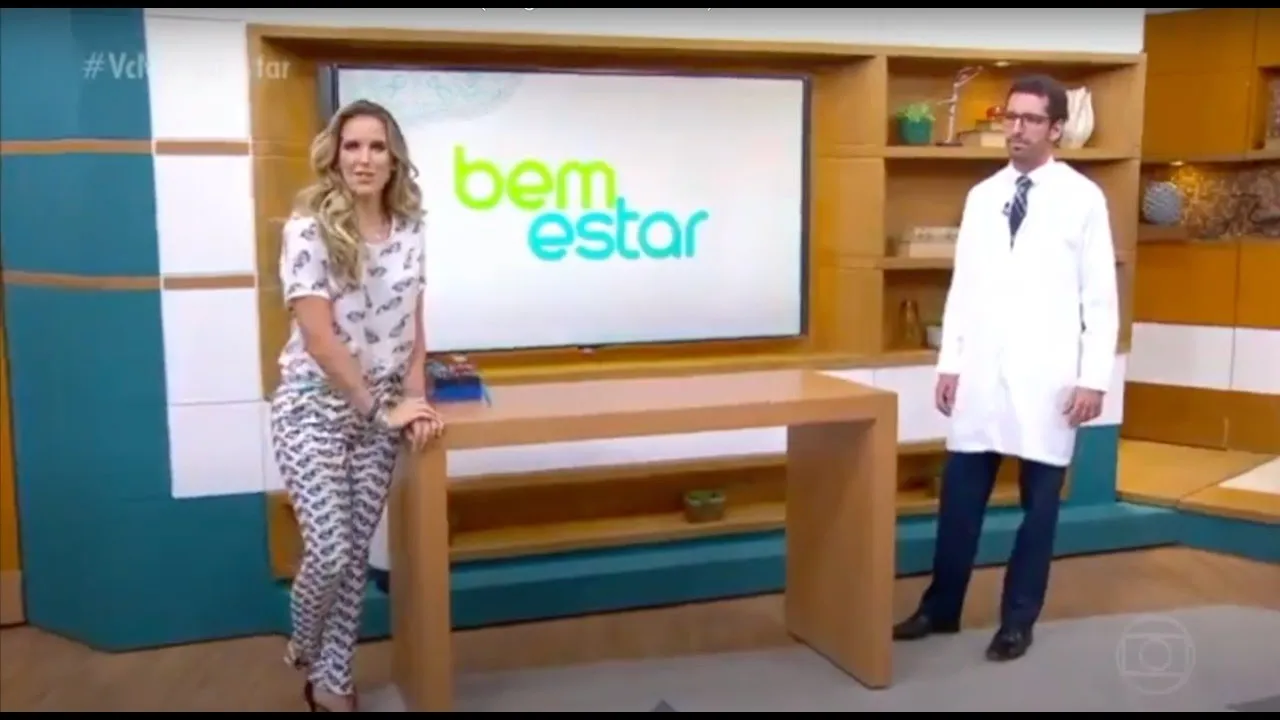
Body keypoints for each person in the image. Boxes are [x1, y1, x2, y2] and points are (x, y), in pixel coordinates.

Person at [892, 75, 1119, 661]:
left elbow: (1100, 298)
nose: (1016, 130)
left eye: (1030, 120)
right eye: (1010, 118)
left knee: (1038, 511)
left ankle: (1017, 621)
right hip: (981, 374)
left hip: (1050, 380)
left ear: (1056, 128)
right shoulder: (982, 196)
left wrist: (1094, 379)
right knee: (958, 503)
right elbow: (963, 287)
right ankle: (941, 608)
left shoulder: (1083, 198)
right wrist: (950, 363)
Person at [271, 99, 446, 712]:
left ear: (394, 159)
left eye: (376, 147)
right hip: (312, 408)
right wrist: (379, 410)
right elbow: (319, 339)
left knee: (353, 567)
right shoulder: (307, 229)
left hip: (384, 411)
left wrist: (416, 400)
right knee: (330, 551)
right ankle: (304, 644)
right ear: (335, 155)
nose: (364, 159)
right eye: (352, 146)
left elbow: (413, 328)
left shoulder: (412, 230)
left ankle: (333, 684)